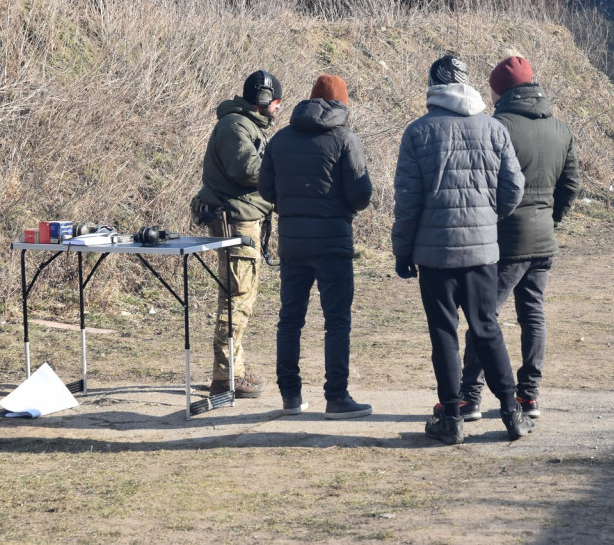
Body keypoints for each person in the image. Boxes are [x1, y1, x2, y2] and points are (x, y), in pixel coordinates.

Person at [392, 54, 534, 445]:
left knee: (443, 334)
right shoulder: (493, 128)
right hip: (482, 253)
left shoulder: (418, 132)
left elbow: (408, 200)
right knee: (487, 328)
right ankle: (511, 413)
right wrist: (489, 220)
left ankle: (451, 417)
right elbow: (514, 189)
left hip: (434, 254)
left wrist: (402, 251)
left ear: (433, 85)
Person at [459, 55, 581, 421]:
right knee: (533, 316)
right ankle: (529, 396)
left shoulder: (496, 127)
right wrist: (551, 219)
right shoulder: (561, 129)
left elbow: (480, 185)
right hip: (543, 240)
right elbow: (571, 185)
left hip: (504, 241)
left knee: (484, 318)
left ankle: (470, 396)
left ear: (501, 91)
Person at [258, 74, 374, 419]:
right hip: (334, 243)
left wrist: (290, 206)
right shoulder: (344, 138)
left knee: (290, 320)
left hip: (293, 242)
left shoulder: (280, 139)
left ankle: (290, 395)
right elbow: (361, 194)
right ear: (342, 104)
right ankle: (336, 397)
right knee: (337, 321)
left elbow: (266, 190)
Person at [192, 69, 283, 399]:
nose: (277, 109)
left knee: (239, 296)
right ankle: (226, 375)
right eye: (276, 103)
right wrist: (281, 168)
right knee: (237, 297)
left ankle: (233, 370)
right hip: (236, 220)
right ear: (266, 102)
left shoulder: (244, 124)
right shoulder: (234, 126)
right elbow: (245, 170)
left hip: (242, 217)